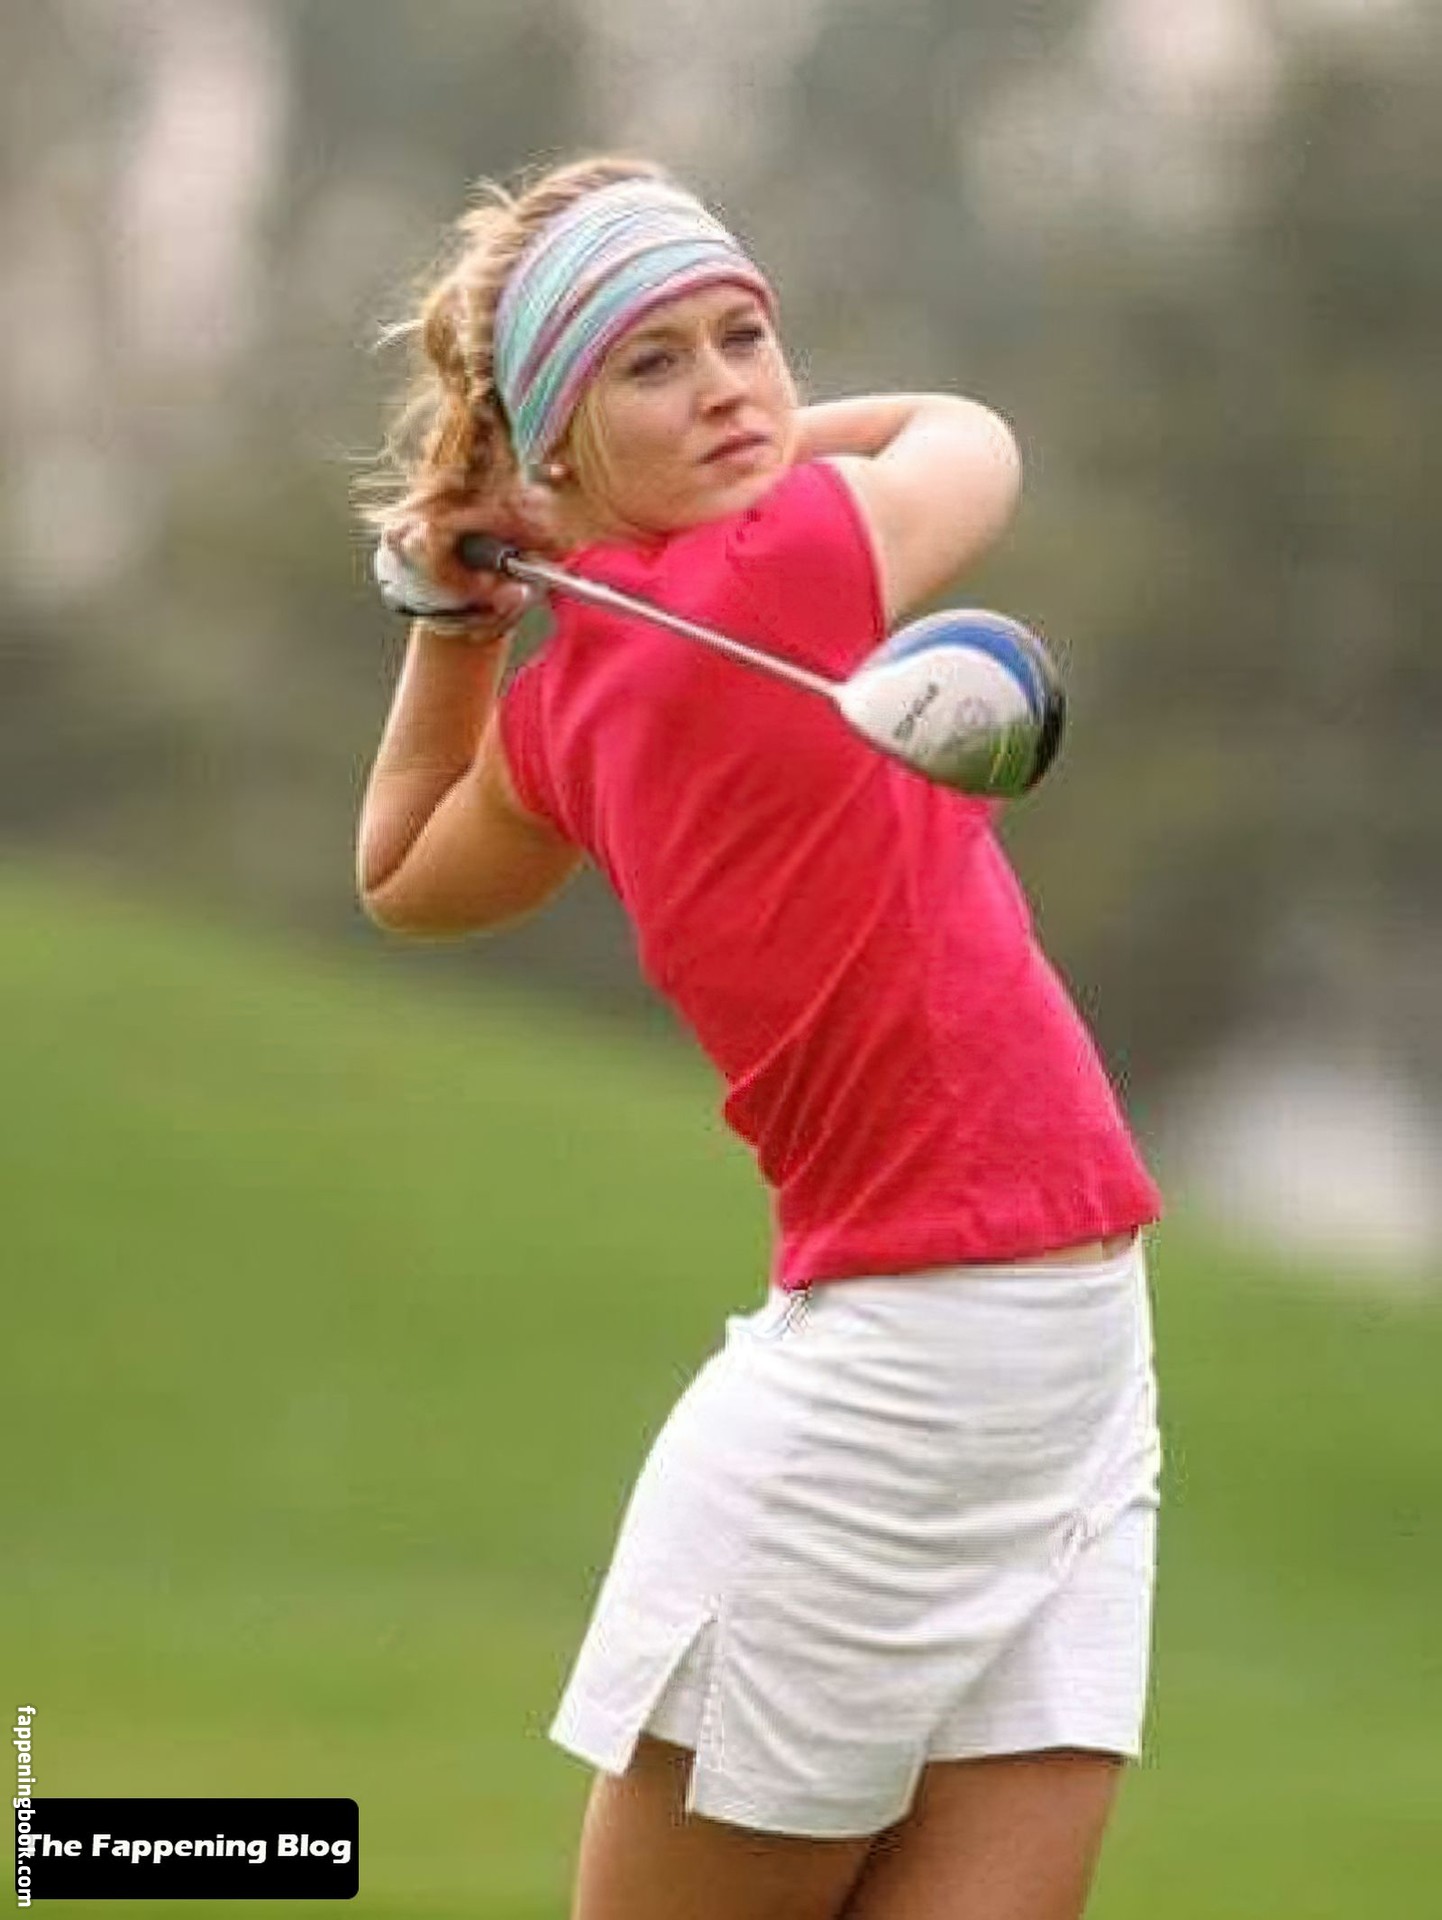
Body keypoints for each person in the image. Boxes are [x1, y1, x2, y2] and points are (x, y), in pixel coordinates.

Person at [355, 152, 1165, 1920]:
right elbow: (966, 438)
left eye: (744, 337)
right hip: (897, 1394)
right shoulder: (773, 567)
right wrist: (776, 452)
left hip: (1069, 1384)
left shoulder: (564, 701)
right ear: (556, 437)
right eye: (652, 363)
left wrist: (456, 620)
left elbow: (403, 874)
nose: (727, 387)